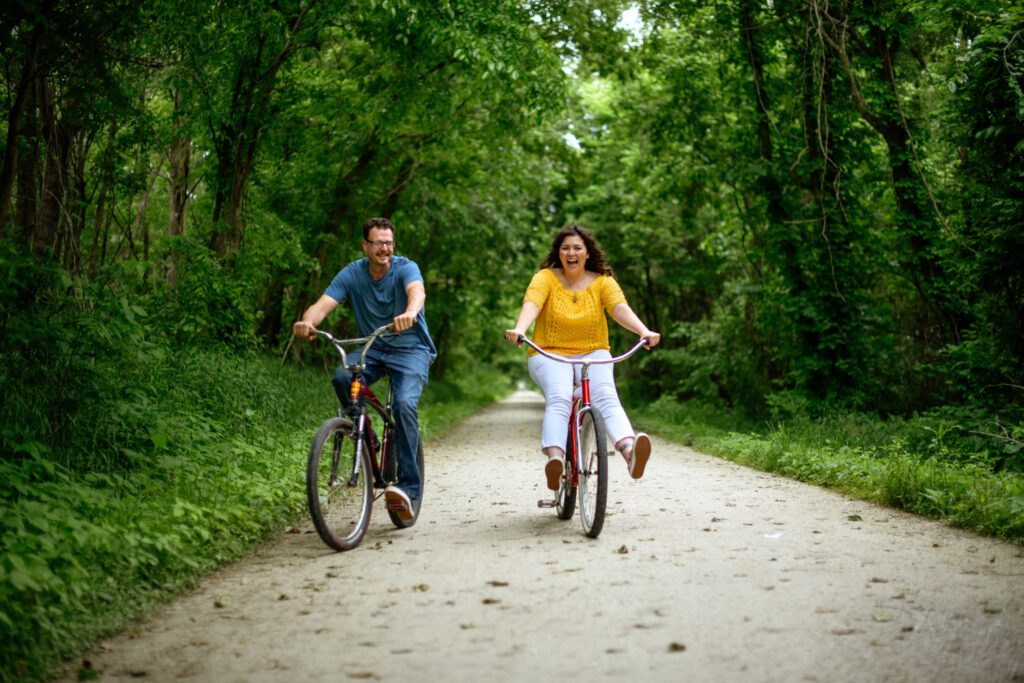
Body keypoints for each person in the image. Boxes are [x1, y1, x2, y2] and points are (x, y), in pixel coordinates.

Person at [294, 217, 436, 521]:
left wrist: (410, 313)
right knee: (343, 376)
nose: (385, 249)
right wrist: (308, 322)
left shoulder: (405, 267)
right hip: (374, 347)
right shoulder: (352, 274)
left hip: (411, 348)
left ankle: (409, 488)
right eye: (378, 243)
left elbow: (417, 291)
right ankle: (366, 438)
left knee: (404, 404)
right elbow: (323, 304)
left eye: (389, 243)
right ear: (365, 245)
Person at [504, 224, 661, 490]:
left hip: (593, 351)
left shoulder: (603, 281)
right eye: (565, 248)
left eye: (577, 248)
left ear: (587, 253)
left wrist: (643, 330)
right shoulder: (544, 277)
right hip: (549, 352)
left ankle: (630, 453)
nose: (571, 253)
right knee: (560, 396)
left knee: (607, 396)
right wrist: (520, 328)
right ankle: (555, 461)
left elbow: (619, 308)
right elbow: (532, 303)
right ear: (558, 253)